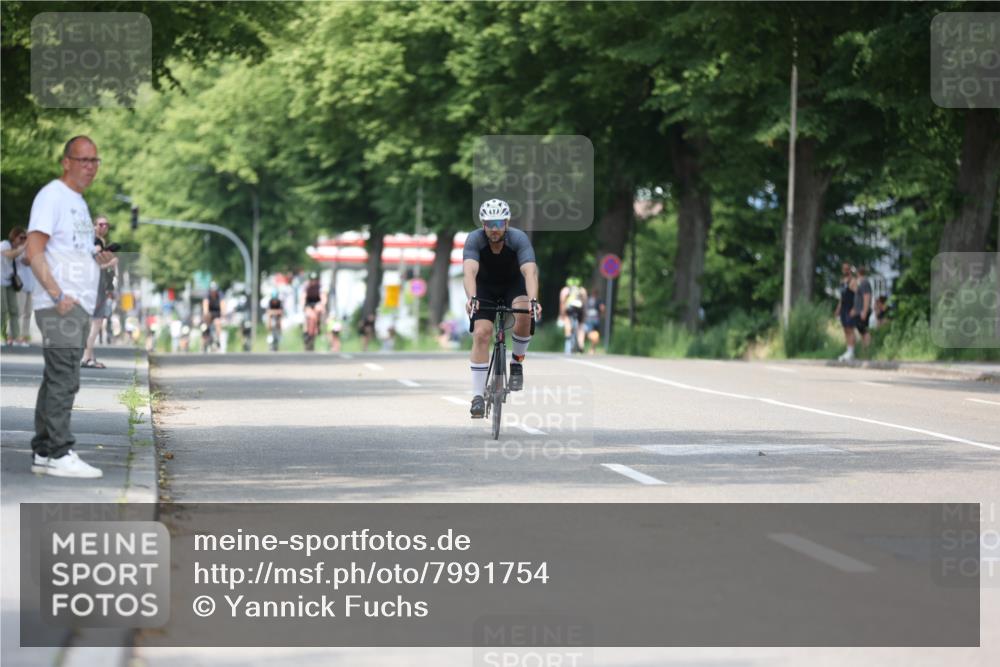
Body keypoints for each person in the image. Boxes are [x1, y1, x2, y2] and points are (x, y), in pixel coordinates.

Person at [24, 135, 113, 478]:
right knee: (65, 379)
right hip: (59, 304)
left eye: (95, 161)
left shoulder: (77, 202)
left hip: (75, 304)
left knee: (55, 379)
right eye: (83, 160)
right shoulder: (53, 197)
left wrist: (96, 257)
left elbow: (69, 249)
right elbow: (34, 249)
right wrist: (58, 295)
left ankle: (45, 451)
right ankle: (61, 452)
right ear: (66, 162)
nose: (90, 167)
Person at [464, 198, 541, 419]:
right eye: (489, 223)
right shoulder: (474, 239)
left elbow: (529, 272)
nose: (494, 228)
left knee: (525, 312)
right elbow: (469, 272)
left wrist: (534, 299)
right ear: (483, 224)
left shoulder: (518, 238)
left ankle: (517, 362)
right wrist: (472, 297)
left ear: (506, 223)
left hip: (513, 286)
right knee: (481, 333)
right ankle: (477, 396)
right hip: (485, 288)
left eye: (498, 223)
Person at [81, 215, 117, 368]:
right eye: (101, 224)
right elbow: (93, 263)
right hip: (94, 284)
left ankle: (90, 357)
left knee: (94, 322)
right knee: (97, 321)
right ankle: (86, 358)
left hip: (96, 283)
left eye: (106, 225)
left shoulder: (96, 241)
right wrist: (110, 262)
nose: (104, 227)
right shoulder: (95, 241)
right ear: (95, 226)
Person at [1, 227, 28, 345]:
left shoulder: (20, 249)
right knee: (2, 310)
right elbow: (9, 255)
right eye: (21, 237)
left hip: (10, 282)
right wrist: (24, 247)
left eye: (25, 238)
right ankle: (2, 335)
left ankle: (16, 337)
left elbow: (26, 262)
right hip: (0, 281)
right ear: (14, 237)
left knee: (14, 310)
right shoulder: (5, 244)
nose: (23, 240)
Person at [834, 263, 857, 362]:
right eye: (844, 269)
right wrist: (838, 309)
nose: (845, 270)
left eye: (847, 269)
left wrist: (855, 308)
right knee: (845, 329)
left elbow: (857, 296)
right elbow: (841, 297)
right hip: (844, 307)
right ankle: (848, 350)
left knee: (850, 328)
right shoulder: (842, 281)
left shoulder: (853, 281)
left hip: (850, 307)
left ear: (850, 270)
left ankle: (852, 351)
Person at [559, 276, 587, 354]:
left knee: (567, 321)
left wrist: (562, 315)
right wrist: (584, 316)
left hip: (570, 309)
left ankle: (568, 338)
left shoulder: (565, 290)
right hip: (580, 309)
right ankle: (581, 344)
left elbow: (562, 303)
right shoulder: (582, 290)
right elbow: (585, 304)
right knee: (581, 327)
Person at [301, 272, 325, 350]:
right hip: (308, 304)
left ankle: (318, 325)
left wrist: (322, 304)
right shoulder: (306, 286)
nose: (313, 281)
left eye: (315, 280)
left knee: (319, 310)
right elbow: (303, 297)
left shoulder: (320, 287)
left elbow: (323, 297)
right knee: (308, 315)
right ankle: (306, 332)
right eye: (312, 280)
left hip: (317, 304)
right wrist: (303, 306)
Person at [852, 266, 873, 353]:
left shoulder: (864, 282)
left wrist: (864, 311)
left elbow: (866, 297)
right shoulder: (861, 283)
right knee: (861, 330)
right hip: (859, 311)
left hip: (862, 311)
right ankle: (864, 349)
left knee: (864, 330)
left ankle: (867, 349)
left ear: (858, 273)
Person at [202, 281, 225, 352]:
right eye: (212, 291)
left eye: (214, 291)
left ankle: (217, 338)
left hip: (217, 312)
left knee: (218, 323)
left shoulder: (220, 294)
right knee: (205, 322)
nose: (213, 292)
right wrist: (205, 314)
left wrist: (223, 314)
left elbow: (222, 304)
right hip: (210, 313)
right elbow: (205, 304)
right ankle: (206, 334)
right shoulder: (207, 295)